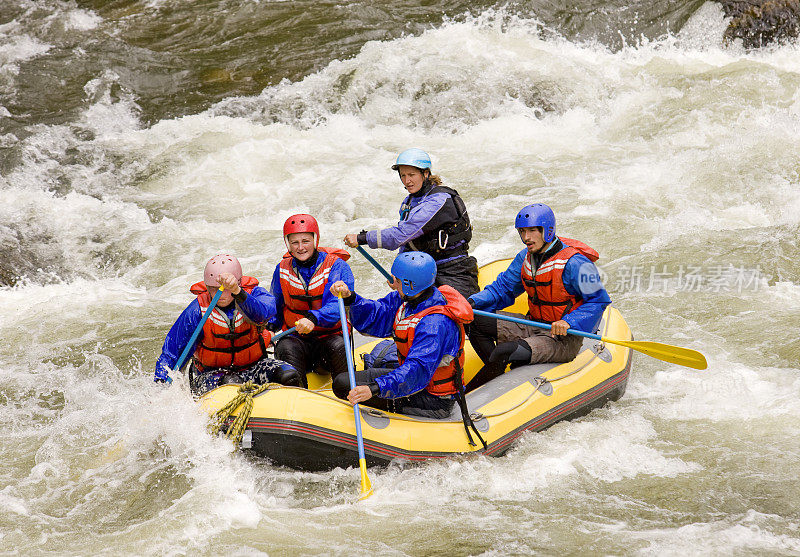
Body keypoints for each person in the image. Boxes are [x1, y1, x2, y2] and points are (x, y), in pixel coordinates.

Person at [466, 203, 612, 391]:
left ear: (547, 230)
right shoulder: (525, 258)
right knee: (473, 321)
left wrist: (569, 322)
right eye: (522, 231)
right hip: (533, 323)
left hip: (562, 338)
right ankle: (500, 375)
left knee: (504, 351)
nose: (526, 237)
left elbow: (599, 300)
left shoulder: (577, 263)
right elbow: (502, 289)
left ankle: (470, 394)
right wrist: (472, 302)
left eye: (533, 230)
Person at [329, 251, 477, 423]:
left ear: (410, 284)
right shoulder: (407, 300)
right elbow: (378, 315)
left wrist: (375, 388)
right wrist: (351, 299)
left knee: (345, 385)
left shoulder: (434, 324)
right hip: (412, 381)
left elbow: (418, 369)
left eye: (397, 281)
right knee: (342, 382)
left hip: (432, 399)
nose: (393, 283)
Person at [154, 254, 302, 394]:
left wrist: (238, 293)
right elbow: (172, 352)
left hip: (254, 368)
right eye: (213, 289)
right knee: (232, 383)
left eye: (226, 289)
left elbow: (265, 313)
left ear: (238, 283)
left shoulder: (255, 294)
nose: (221, 294)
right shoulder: (197, 311)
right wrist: (161, 386)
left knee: (289, 376)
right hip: (211, 375)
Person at [343, 148, 479, 299]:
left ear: (425, 173)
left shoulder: (439, 201)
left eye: (412, 175)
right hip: (424, 272)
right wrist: (400, 275)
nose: (407, 181)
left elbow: (400, 235)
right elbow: (407, 243)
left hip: (453, 269)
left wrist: (363, 238)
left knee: (464, 314)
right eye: (403, 175)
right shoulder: (409, 202)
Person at [271, 214, 355, 388]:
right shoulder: (281, 269)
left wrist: (313, 318)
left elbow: (336, 306)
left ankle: (347, 392)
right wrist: (268, 329)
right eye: (295, 242)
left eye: (306, 241)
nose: (301, 247)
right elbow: (275, 306)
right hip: (296, 339)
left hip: (329, 338)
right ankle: (296, 395)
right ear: (287, 244)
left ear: (315, 240)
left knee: (338, 346)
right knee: (284, 347)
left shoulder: (337, 266)